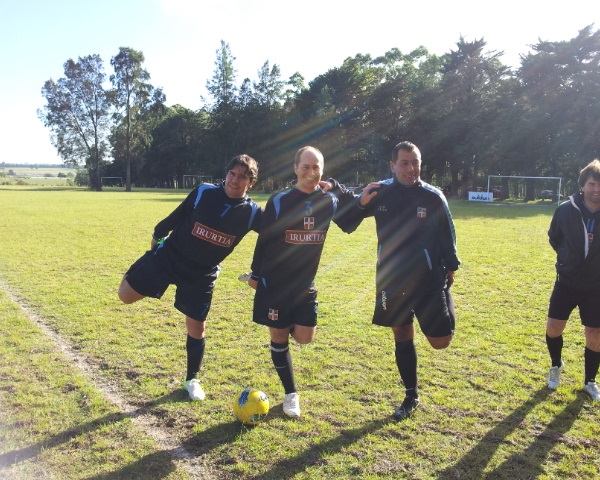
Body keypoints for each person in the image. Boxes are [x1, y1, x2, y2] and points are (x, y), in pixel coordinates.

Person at [118, 154, 262, 401]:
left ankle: (192, 379)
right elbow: (176, 216)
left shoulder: (252, 213)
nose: (235, 180)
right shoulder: (204, 192)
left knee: (197, 327)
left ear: (251, 183)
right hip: (170, 256)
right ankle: (142, 265)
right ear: (226, 173)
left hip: (201, 273)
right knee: (125, 296)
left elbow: (276, 232)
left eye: (243, 177)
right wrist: (157, 238)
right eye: (232, 173)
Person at [348, 141, 461, 420]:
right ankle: (411, 395)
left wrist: (451, 266)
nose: (411, 168)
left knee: (441, 341)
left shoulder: (433, 196)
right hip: (392, 279)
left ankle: (445, 299)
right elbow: (347, 223)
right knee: (401, 333)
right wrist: (360, 203)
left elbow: (447, 234)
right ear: (393, 165)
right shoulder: (380, 192)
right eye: (404, 163)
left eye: (415, 162)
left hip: (428, 279)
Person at [246, 146, 356, 418]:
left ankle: (287, 323)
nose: (310, 172)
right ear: (295, 168)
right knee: (279, 336)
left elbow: (351, 222)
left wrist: (337, 187)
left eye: (316, 167)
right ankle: (291, 394)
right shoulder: (280, 200)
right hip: (275, 283)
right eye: (305, 166)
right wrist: (256, 275)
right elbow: (264, 238)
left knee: (305, 338)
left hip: (305, 285)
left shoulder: (328, 200)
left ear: (323, 170)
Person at [545, 159, 600, 402]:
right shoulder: (565, 210)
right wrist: (569, 260)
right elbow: (555, 238)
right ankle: (556, 365)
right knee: (553, 329)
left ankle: (590, 382)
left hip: (597, 286)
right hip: (567, 281)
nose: (596, 189)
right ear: (582, 186)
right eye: (592, 184)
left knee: (594, 334)